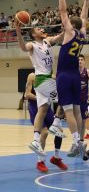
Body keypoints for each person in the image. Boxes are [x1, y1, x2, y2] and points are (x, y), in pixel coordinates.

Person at [49, 0, 89, 158]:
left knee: (67, 110)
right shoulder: (82, 34)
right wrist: (86, 2)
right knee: (76, 109)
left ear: (70, 25)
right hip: (76, 76)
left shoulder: (70, 32)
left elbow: (62, 10)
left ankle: (75, 142)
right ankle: (80, 141)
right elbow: (84, 18)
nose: (63, 23)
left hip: (65, 76)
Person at [15, 21, 64, 156]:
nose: (42, 29)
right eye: (38, 28)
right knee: (65, 99)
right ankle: (55, 125)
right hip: (42, 78)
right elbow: (24, 47)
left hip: (45, 79)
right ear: (33, 34)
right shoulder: (33, 45)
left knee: (42, 110)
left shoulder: (47, 41)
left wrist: (67, 29)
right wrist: (18, 32)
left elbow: (58, 38)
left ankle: (35, 140)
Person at [25, 72, 68, 172]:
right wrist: (40, 98)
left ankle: (56, 158)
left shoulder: (51, 77)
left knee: (59, 131)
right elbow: (27, 94)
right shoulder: (32, 76)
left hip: (47, 108)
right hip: (35, 107)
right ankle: (40, 162)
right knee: (44, 132)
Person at [67, 54, 89, 156]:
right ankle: (76, 142)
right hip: (74, 100)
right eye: (78, 60)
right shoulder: (73, 72)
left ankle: (80, 142)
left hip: (83, 101)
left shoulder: (88, 72)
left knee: (83, 121)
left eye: (81, 60)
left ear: (84, 61)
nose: (80, 61)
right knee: (75, 122)